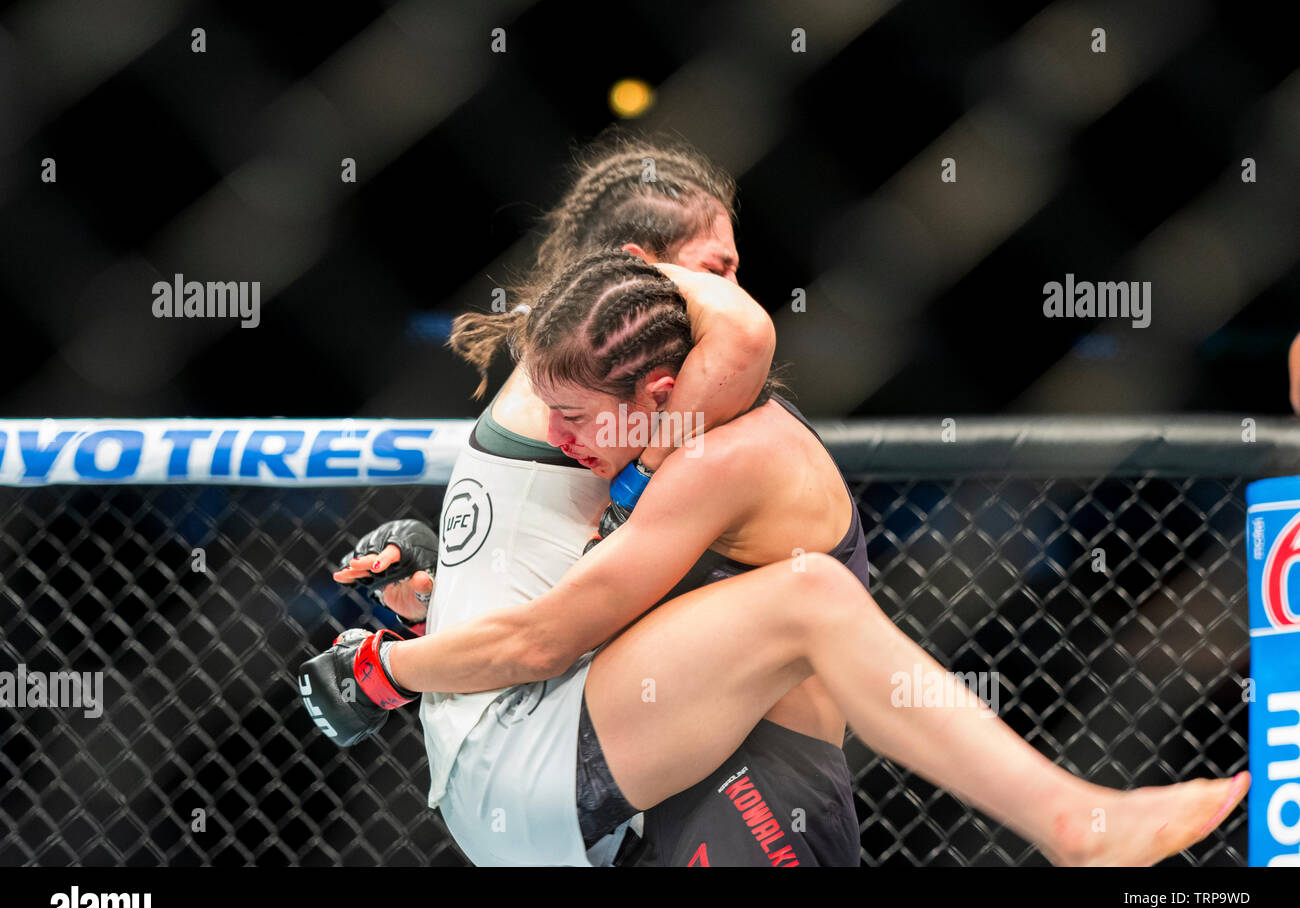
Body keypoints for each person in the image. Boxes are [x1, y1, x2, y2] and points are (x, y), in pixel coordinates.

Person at [312, 250, 1250, 867]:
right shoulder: (639, 439)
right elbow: (554, 638)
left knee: (807, 601)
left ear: (666, 386)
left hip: (620, 779)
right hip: (548, 769)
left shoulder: (720, 458)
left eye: (575, 418)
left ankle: (1070, 821)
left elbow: (546, 638)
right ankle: (1070, 821)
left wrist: (388, 663)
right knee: (805, 600)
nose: (557, 436)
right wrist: (412, 638)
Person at [328, 130, 860, 865]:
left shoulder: (636, 418)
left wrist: (430, 614)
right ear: (639, 272)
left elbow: (584, 606)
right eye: (717, 269)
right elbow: (741, 334)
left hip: (657, 779)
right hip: (629, 769)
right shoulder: (604, 402)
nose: (732, 290)